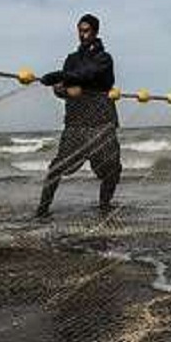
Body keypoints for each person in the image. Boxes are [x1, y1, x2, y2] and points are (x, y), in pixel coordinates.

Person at [36, 13, 122, 217]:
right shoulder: (71, 59)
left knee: (112, 170)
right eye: (80, 31)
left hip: (102, 123)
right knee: (56, 169)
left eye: (87, 31)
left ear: (95, 32)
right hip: (76, 123)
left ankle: (104, 207)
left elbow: (88, 74)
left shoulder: (104, 59)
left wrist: (63, 77)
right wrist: (64, 90)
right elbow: (61, 89)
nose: (82, 35)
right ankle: (41, 211)